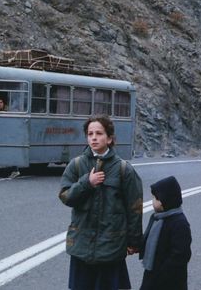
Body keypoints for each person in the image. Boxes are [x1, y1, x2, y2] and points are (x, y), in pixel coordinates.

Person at [59, 114, 143, 290]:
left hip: (110, 249)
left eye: (99, 133)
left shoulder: (123, 169)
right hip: (81, 247)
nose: (94, 138)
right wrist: (86, 183)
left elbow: (134, 208)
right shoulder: (76, 165)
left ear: (110, 138)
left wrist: (134, 241)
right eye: (90, 134)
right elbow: (65, 196)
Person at [139, 176, 192, 290]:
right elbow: (148, 238)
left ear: (164, 201)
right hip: (152, 271)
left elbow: (181, 254)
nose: (152, 201)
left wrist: (164, 273)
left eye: (155, 198)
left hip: (170, 280)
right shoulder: (157, 218)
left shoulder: (179, 223)